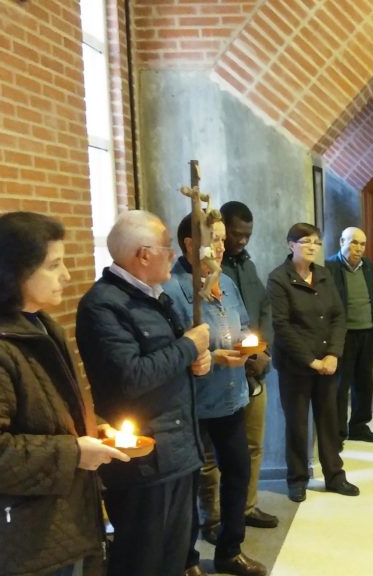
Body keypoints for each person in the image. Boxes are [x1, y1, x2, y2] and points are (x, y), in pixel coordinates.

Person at [0, 212, 128, 576]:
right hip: (13, 549)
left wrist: (92, 430)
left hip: (53, 530)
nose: (66, 275)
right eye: (54, 265)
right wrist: (74, 452)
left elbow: (48, 412)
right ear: (14, 272)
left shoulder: (40, 328)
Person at [76, 210, 212, 576]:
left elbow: (171, 358)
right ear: (143, 254)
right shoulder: (102, 306)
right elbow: (130, 377)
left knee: (174, 555)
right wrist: (188, 347)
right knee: (143, 559)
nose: (172, 255)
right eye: (167, 248)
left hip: (179, 446)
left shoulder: (156, 296)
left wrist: (199, 360)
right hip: (144, 459)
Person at [163, 214, 267, 576]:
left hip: (230, 398)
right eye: (214, 240)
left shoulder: (228, 283)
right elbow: (172, 347)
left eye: (223, 240)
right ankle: (187, 559)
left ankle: (229, 549)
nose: (222, 247)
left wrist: (242, 348)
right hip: (192, 402)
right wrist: (210, 356)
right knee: (189, 482)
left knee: (237, 472)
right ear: (190, 245)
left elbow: (238, 327)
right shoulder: (172, 287)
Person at [267, 223, 359, 502]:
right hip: (295, 366)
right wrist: (311, 361)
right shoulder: (279, 278)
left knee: (329, 421)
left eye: (317, 242)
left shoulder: (324, 274)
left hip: (327, 363)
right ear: (290, 245)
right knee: (297, 424)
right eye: (305, 241)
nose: (312, 246)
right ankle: (297, 479)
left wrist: (332, 354)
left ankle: (334, 475)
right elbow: (281, 326)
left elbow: (338, 317)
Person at [214, 201, 278, 532]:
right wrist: (248, 355)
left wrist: (259, 353)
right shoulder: (213, 272)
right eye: (236, 234)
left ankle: (247, 506)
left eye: (247, 235)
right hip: (222, 374)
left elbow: (262, 311)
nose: (241, 241)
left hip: (254, 368)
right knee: (215, 456)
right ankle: (213, 518)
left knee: (253, 445)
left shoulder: (247, 266)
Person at [325, 227, 373, 444]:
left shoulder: (367, 265)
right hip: (344, 335)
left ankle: (359, 426)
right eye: (353, 242)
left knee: (364, 383)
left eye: (362, 243)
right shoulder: (329, 266)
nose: (358, 248)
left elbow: (372, 299)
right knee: (341, 385)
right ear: (342, 241)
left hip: (367, 332)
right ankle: (338, 432)